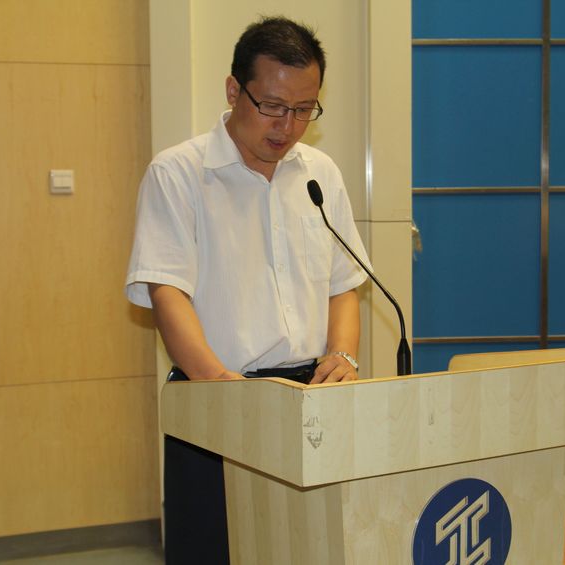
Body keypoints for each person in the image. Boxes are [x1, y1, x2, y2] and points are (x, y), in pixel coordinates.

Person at [125, 16, 371, 564]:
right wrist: (221, 387)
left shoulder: (320, 173)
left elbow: (343, 283)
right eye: (273, 106)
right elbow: (167, 293)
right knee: (214, 550)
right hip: (216, 400)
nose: (288, 126)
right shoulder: (179, 174)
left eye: (304, 109)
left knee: (311, 550)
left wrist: (343, 355)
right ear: (234, 90)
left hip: (309, 401)